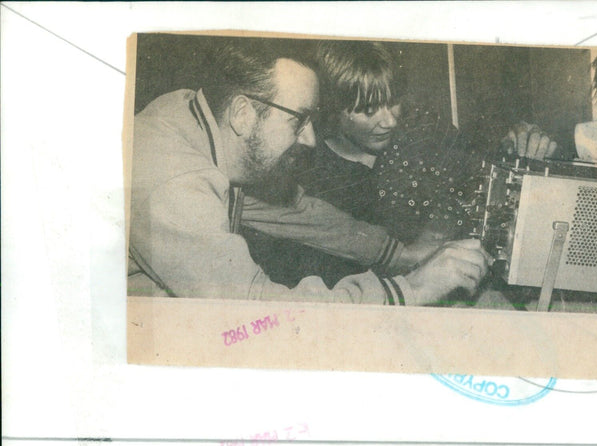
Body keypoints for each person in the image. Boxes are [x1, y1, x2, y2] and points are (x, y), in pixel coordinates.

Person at [128, 40, 490, 305]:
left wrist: (403, 256)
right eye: (298, 120)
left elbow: (299, 214)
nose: (311, 138)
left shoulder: (195, 115)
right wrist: (414, 289)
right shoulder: (176, 184)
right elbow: (255, 314)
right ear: (242, 114)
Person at [241, 40, 556, 288]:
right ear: (333, 109)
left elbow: (481, 166)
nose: (389, 120)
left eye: (392, 101)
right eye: (368, 110)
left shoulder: (424, 127)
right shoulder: (308, 173)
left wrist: (518, 141)